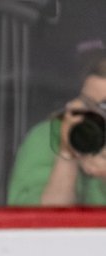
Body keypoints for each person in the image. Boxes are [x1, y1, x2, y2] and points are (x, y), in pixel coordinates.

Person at [7, 56, 106, 207]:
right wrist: (67, 153)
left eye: (103, 106)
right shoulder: (46, 137)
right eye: (86, 102)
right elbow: (43, 223)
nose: (91, 114)